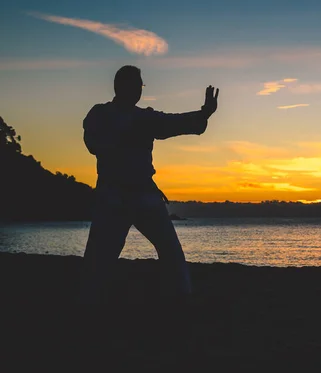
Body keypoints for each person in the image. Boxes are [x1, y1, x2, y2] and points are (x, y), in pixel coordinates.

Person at [81, 65, 219, 303]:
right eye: (137, 85)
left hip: (138, 194)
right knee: (101, 256)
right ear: (122, 87)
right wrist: (202, 115)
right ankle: (90, 301)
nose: (139, 90)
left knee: (169, 250)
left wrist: (204, 114)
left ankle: (182, 296)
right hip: (117, 195)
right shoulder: (103, 114)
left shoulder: (141, 117)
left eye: (141, 85)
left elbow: (174, 123)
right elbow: (93, 143)